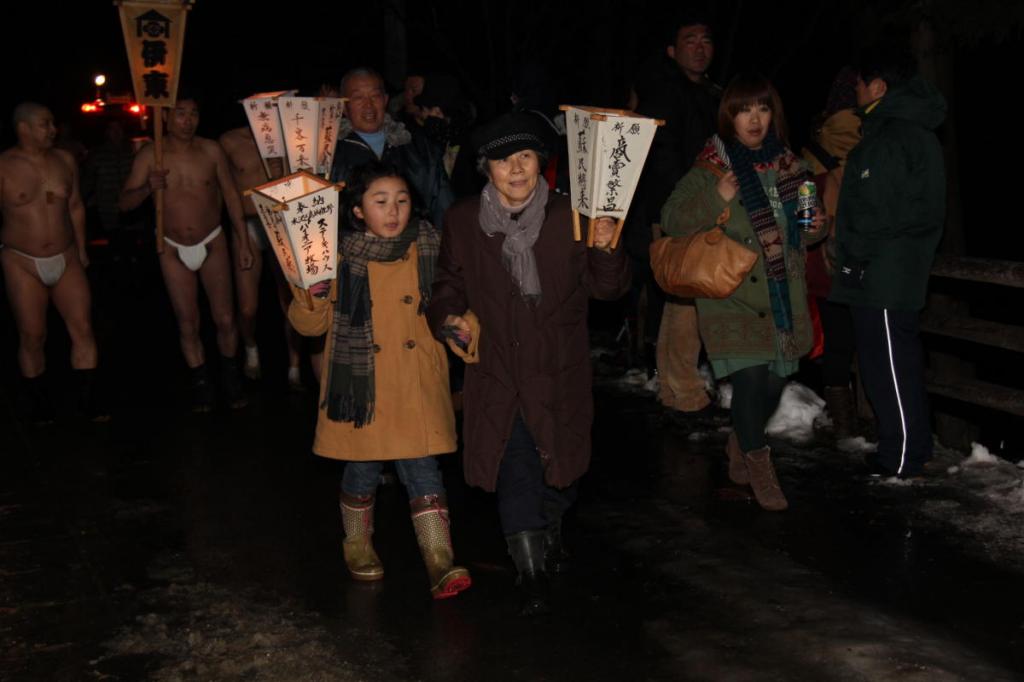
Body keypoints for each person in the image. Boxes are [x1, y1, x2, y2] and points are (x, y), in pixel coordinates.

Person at [427, 112, 630, 614]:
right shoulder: (462, 220)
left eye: (525, 156)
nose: (515, 169)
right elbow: (447, 284)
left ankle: (552, 529)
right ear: (485, 168)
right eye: (502, 159)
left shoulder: (572, 216)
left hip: (558, 366)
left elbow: (609, 289)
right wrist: (449, 316)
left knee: (560, 467)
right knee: (514, 462)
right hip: (497, 366)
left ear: (541, 162)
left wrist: (607, 248)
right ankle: (531, 570)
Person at [288, 162, 470, 599]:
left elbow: (450, 302)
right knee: (362, 469)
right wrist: (309, 298)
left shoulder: (430, 246)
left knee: (423, 471)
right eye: (381, 201)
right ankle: (357, 542)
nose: (393, 211)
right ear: (357, 211)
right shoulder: (333, 257)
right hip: (362, 388)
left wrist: (463, 327)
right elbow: (309, 329)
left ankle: (438, 558)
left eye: (402, 201)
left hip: (415, 383)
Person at [660, 74, 827, 511]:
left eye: (763, 109)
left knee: (774, 382)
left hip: (781, 298)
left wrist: (814, 226)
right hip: (731, 293)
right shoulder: (712, 166)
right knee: (752, 379)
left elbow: (806, 234)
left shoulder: (793, 168)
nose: (754, 120)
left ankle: (742, 435)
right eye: (743, 111)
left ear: (774, 115)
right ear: (729, 117)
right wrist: (718, 195)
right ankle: (759, 464)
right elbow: (673, 218)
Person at [829, 45, 946, 479]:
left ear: (878, 87)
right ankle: (910, 447)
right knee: (896, 361)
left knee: (888, 365)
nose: (853, 92)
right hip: (893, 269)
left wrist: (853, 255)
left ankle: (900, 458)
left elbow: (878, 209)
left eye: (858, 85)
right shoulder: (902, 131)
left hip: (884, 272)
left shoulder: (892, 135)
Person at [120, 96, 254, 412]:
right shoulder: (151, 155)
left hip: (213, 240)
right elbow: (123, 202)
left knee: (224, 318)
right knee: (188, 321)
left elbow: (232, 196)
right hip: (171, 245)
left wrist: (244, 242)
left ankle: (231, 378)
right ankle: (201, 384)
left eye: (194, 113)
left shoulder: (210, 150)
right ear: (165, 117)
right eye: (180, 113)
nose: (188, 120)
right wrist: (147, 188)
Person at [626, 12, 722, 420]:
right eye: (689, 40)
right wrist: (680, 210)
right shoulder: (664, 95)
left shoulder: (712, 93)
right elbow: (659, 161)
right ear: (672, 50)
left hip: (696, 206)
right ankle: (684, 389)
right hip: (680, 211)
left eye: (705, 40)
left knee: (681, 297)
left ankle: (673, 385)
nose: (699, 47)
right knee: (686, 297)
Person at [0, 102, 107, 422]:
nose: (53, 130)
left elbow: (75, 206)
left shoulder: (65, 160)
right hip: (21, 261)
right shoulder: (4, 164)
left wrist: (82, 248)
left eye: (53, 124)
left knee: (83, 328)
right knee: (33, 335)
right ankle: (38, 403)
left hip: (67, 257)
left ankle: (87, 403)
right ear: (24, 128)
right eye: (46, 124)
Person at [800, 68, 862, 441]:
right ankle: (853, 421)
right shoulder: (866, 140)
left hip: (819, 256)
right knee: (857, 339)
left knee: (833, 339)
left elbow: (805, 207)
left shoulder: (814, 149)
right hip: (856, 258)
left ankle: (843, 422)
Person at [219, 126, 303, 389]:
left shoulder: (288, 133)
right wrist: (241, 236)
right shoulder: (229, 140)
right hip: (248, 224)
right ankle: (251, 347)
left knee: (290, 301)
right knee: (247, 307)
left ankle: (294, 367)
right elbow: (226, 190)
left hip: (282, 222)